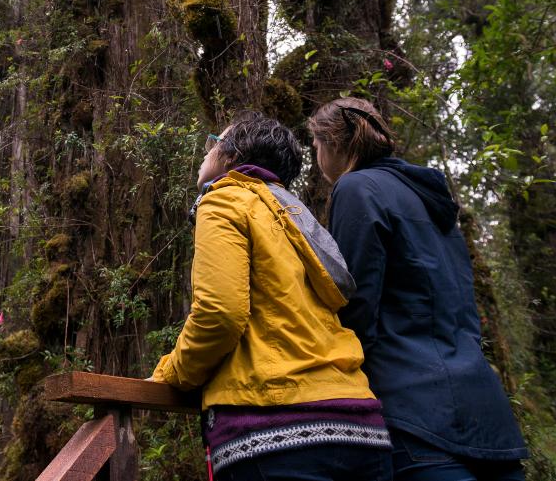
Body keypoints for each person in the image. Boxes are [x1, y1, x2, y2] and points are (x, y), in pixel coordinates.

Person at [151, 111, 392, 481]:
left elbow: (220, 313)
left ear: (231, 156)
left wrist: (172, 373)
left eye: (212, 143)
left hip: (275, 429)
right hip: (360, 424)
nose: (204, 153)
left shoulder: (224, 200)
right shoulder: (297, 217)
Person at [308, 97, 528, 481]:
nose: (315, 156)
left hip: (415, 412)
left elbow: (355, 301)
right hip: (484, 408)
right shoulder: (429, 196)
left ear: (333, 143)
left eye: (315, 145)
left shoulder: (356, 188)